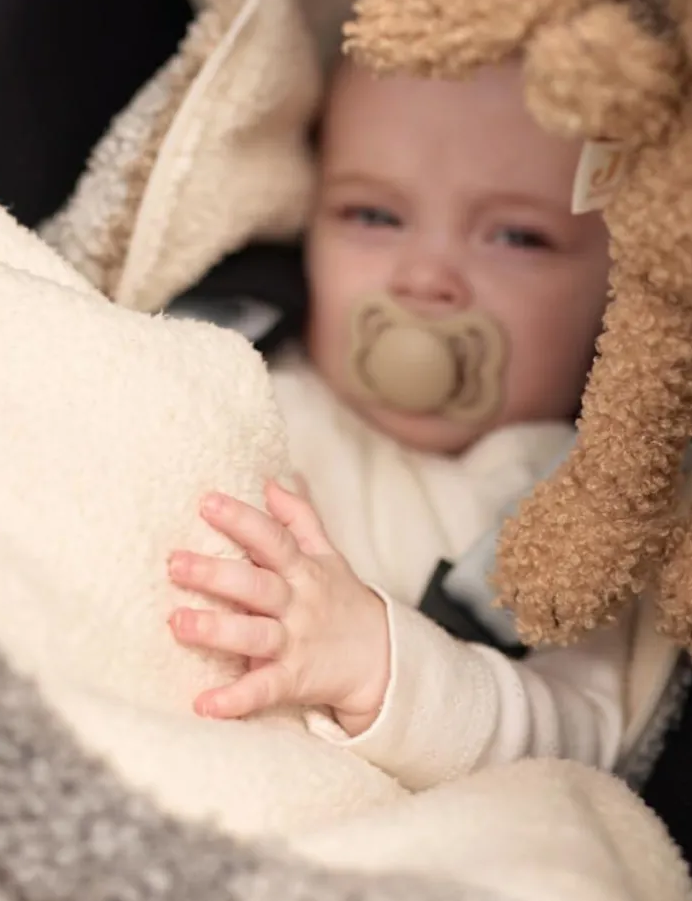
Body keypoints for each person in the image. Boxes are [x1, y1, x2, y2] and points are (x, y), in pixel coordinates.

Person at [166, 58, 619, 791]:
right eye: (373, 217)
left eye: (517, 237)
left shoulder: (591, 514)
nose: (425, 277)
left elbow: (591, 743)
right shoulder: (233, 358)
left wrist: (382, 666)